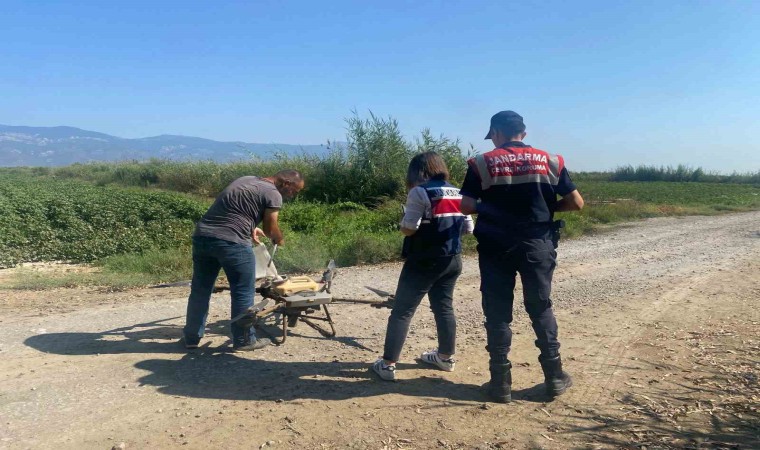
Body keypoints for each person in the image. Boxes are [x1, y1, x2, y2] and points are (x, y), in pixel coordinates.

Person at [459, 111, 584, 402]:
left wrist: (491, 208)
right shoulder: (551, 161)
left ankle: (500, 384)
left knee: (497, 311)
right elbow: (576, 203)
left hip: (495, 246)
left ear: (496, 133)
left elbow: (466, 206)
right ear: (523, 134)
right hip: (537, 244)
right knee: (540, 307)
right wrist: (548, 209)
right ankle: (554, 377)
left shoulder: (481, 163)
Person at [372, 152, 474, 381]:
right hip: (453, 259)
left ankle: (387, 365)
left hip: (423, 261)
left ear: (417, 171)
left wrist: (404, 225)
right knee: (444, 307)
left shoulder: (419, 192)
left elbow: (409, 228)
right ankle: (445, 358)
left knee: (402, 311)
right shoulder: (459, 192)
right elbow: (469, 229)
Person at [183, 170, 304, 352]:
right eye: (294, 190)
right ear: (286, 183)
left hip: (203, 237)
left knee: (200, 290)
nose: (293, 195)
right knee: (243, 291)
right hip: (232, 243)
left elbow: (233, 209)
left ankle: (191, 338)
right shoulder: (273, 193)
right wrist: (278, 239)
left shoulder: (245, 180)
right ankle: (244, 340)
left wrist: (251, 227)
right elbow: (271, 229)